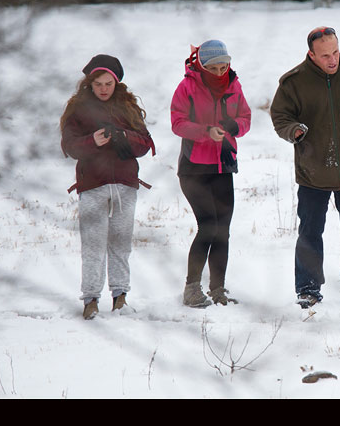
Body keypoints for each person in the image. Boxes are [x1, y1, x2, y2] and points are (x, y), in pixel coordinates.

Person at [270, 26, 340, 309]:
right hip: (313, 170)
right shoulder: (293, 82)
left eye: (335, 52)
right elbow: (280, 115)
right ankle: (308, 290)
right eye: (324, 55)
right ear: (311, 54)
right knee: (310, 232)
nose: (332, 59)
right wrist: (293, 131)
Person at [60, 54, 156, 320]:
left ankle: (120, 297)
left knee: (121, 244)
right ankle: (90, 299)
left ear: (117, 83)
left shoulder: (128, 107)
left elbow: (146, 143)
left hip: (125, 185)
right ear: (89, 83)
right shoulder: (78, 109)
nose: (103, 88)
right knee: (92, 245)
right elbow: (69, 146)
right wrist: (93, 141)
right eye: (98, 83)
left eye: (108, 83)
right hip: (92, 185)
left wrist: (124, 137)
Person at [170, 39, 251, 307]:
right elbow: (178, 123)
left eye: (224, 66)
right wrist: (206, 133)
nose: (220, 72)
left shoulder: (234, 85)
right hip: (194, 169)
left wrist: (234, 126)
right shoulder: (188, 87)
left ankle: (218, 289)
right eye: (214, 68)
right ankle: (191, 289)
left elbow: (246, 117)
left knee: (223, 230)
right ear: (202, 66)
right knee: (208, 227)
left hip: (223, 166)